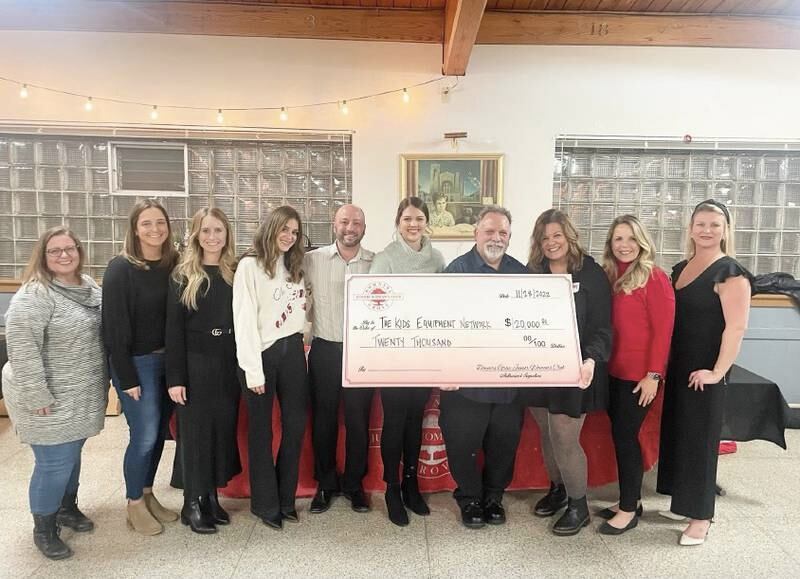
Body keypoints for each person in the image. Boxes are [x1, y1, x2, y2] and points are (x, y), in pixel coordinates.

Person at [2, 227, 106, 560]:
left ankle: (66, 507)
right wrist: (37, 395)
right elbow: (21, 346)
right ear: (43, 256)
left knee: (71, 454)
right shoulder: (36, 294)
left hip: (79, 394)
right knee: (53, 462)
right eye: (55, 250)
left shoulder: (89, 287)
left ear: (79, 250)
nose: (64, 255)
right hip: (47, 395)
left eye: (70, 248)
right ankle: (44, 529)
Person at [657, 199, 752, 546]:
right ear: (690, 228)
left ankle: (701, 516)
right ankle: (682, 502)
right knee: (678, 436)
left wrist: (717, 371)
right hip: (678, 368)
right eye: (700, 224)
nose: (707, 230)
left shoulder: (731, 272)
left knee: (699, 442)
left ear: (726, 229)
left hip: (705, 371)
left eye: (714, 224)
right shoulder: (682, 267)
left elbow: (736, 328)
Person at [522, 208, 612, 536]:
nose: (551, 243)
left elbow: (603, 327)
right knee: (546, 432)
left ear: (569, 236)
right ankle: (558, 489)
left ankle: (579, 505)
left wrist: (590, 360)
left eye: (557, 235)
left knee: (563, 435)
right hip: (538, 369)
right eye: (544, 238)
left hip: (577, 369)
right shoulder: (534, 273)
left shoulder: (590, 273)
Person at [439, 205, 529, 529]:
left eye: (502, 232)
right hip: (465, 385)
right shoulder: (456, 270)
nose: (496, 237)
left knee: (503, 445)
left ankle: (493, 497)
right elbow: (439, 325)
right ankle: (469, 498)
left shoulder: (523, 274)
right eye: (489, 231)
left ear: (509, 237)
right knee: (462, 445)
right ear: (476, 232)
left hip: (508, 383)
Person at [103, 199, 179, 535]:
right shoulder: (120, 268)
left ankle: (148, 494)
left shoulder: (173, 263)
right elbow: (114, 328)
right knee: (144, 436)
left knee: (160, 434)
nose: (155, 230)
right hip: (137, 364)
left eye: (160, 223)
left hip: (169, 362)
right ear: (135, 229)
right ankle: (133, 502)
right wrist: (126, 376)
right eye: (147, 223)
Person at [596, 215, 675, 535]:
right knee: (619, 436)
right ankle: (631, 499)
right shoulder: (610, 276)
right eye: (618, 239)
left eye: (631, 238)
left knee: (626, 439)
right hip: (613, 373)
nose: (624, 245)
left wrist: (654, 375)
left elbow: (663, 332)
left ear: (642, 242)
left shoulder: (654, 277)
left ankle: (628, 509)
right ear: (610, 244)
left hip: (639, 378)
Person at [370, 196, 445, 526]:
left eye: (419, 219)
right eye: (407, 220)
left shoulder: (437, 257)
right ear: (397, 223)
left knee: (417, 419)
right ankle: (392, 488)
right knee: (395, 421)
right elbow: (372, 302)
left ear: (426, 222)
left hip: (424, 352)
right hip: (393, 353)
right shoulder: (386, 258)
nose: (413, 225)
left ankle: (413, 484)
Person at [165, 208, 242, 534]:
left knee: (220, 432)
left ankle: (210, 497)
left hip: (227, 361)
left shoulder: (235, 272)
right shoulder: (183, 275)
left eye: (219, 231)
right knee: (195, 436)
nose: (213, 237)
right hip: (195, 363)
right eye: (206, 231)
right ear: (196, 235)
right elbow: (173, 331)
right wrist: (176, 378)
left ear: (227, 234)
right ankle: (192, 503)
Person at [233, 205, 309, 530]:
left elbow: (299, 313)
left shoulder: (295, 267)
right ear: (271, 227)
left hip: (292, 349)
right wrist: (253, 370)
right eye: (285, 229)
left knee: (295, 425)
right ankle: (265, 503)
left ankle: (286, 497)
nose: (289, 237)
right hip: (260, 354)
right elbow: (244, 318)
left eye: (295, 232)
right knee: (262, 431)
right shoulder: (249, 266)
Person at [304, 204, 375, 514]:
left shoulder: (376, 262)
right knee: (324, 421)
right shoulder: (312, 260)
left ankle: (354, 484)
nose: (351, 227)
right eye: (345, 221)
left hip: (362, 353)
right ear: (334, 225)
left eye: (357, 222)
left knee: (359, 423)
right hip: (325, 350)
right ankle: (326, 483)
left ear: (364, 227)